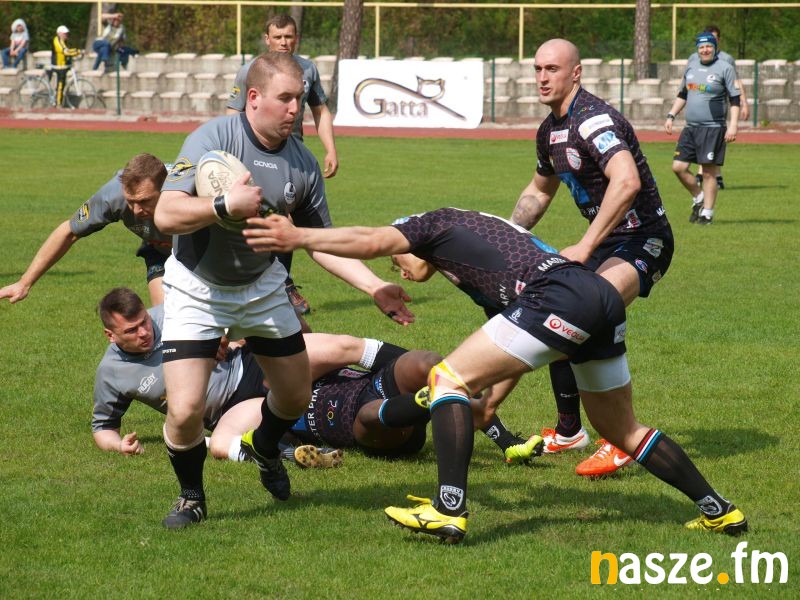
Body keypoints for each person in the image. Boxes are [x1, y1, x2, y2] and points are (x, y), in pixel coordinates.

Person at [245, 207, 748, 543]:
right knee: (621, 429)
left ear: (410, 239)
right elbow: (517, 347)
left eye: (400, 260)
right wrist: (490, 405)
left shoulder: (429, 224)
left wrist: (298, 236)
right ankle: (719, 509)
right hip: (596, 294)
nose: (401, 268)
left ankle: (448, 510)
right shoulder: (475, 251)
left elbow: (372, 239)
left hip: (559, 295)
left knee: (444, 381)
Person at [154, 51, 413, 529]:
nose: (296, 109)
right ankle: (191, 497)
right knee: (186, 409)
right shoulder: (213, 138)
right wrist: (223, 205)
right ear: (253, 97)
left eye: (300, 98)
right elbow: (165, 213)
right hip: (197, 288)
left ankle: (265, 445)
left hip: (262, 287)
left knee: (293, 397)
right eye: (286, 98)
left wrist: (375, 286)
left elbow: (320, 244)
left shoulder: (303, 164)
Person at [93, 288, 533, 468]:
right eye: (132, 331)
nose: (145, 332)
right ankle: (297, 454)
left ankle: (446, 388)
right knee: (223, 445)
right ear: (111, 335)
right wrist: (118, 445)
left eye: (144, 323)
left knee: (338, 346)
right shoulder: (111, 374)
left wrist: (225, 334)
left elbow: (228, 309)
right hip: (231, 407)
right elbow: (103, 427)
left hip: (255, 366)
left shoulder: (171, 314)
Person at [511, 38, 674, 477]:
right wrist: (506, 235)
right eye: (537, 69)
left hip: (644, 239)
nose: (542, 77)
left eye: (552, 69)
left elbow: (627, 182)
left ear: (576, 73)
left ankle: (621, 439)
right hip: (605, 243)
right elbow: (538, 191)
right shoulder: (549, 130)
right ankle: (569, 431)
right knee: (557, 310)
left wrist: (583, 246)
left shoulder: (593, 120)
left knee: (589, 311)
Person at [227, 14, 339, 316]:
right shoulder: (250, 71)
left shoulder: (308, 69)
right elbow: (233, 112)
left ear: (296, 38)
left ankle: (281, 282)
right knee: (252, 215)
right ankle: (257, 282)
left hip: (292, 156)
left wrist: (330, 149)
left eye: (289, 36)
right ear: (267, 39)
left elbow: (320, 110)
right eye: (277, 37)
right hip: (254, 151)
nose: (283, 42)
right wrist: (229, 154)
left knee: (285, 217)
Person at [0, 153, 171, 307]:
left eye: (144, 201)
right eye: (130, 201)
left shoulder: (185, 192)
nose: (136, 211)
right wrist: (24, 283)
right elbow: (68, 232)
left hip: (187, 247)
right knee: (166, 315)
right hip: (160, 251)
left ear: (165, 189)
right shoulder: (112, 196)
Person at [666, 32, 741, 226]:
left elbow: (734, 99)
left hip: (713, 128)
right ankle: (699, 197)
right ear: (697, 49)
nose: (705, 50)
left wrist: (733, 125)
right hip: (690, 128)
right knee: (678, 167)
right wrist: (671, 115)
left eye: (709, 46)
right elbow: (683, 94)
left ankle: (707, 213)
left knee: (708, 172)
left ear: (715, 47)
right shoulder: (691, 66)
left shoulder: (725, 68)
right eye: (701, 47)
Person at [688, 24, 749, 191]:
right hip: (698, 109)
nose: (707, 46)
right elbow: (688, 81)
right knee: (702, 143)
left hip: (717, 107)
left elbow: (736, 82)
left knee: (713, 142)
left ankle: (708, 175)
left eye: (713, 39)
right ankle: (711, 175)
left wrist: (744, 102)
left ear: (718, 40)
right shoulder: (693, 58)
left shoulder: (726, 59)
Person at [51, 25, 82, 107]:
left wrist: (76, 51)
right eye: (64, 33)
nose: (66, 35)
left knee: (63, 83)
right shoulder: (56, 40)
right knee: (60, 85)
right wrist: (77, 52)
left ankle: (60, 101)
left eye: (67, 33)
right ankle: (58, 104)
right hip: (58, 66)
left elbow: (68, 50)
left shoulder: (64, 41)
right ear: (59, 33)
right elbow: (65, 51)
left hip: (64, 66)